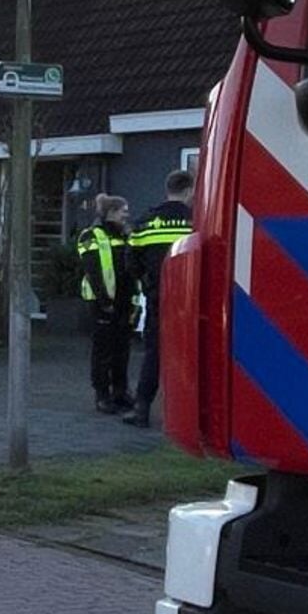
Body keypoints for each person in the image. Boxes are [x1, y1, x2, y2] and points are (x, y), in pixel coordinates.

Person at [124, 170, 195, 428]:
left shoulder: (146, 221)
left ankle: (142, 409)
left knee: (154, 354)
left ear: (168, 190)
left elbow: (130, 262)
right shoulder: (197, 220)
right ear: (188, 191)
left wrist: (147, 282)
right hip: (192, 300)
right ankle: (189, 417)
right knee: (192, 355)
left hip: (158, 299)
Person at [77, 193, 137, 415]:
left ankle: (121, 392)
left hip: (124, 301)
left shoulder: (126, 235)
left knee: (122, 349)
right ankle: (102, 395)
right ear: (111, 213)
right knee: (103, 351)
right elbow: (93, 270)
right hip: (102, 303)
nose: (127, 214)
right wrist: (105, 301)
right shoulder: (91, 235)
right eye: (123, 211)